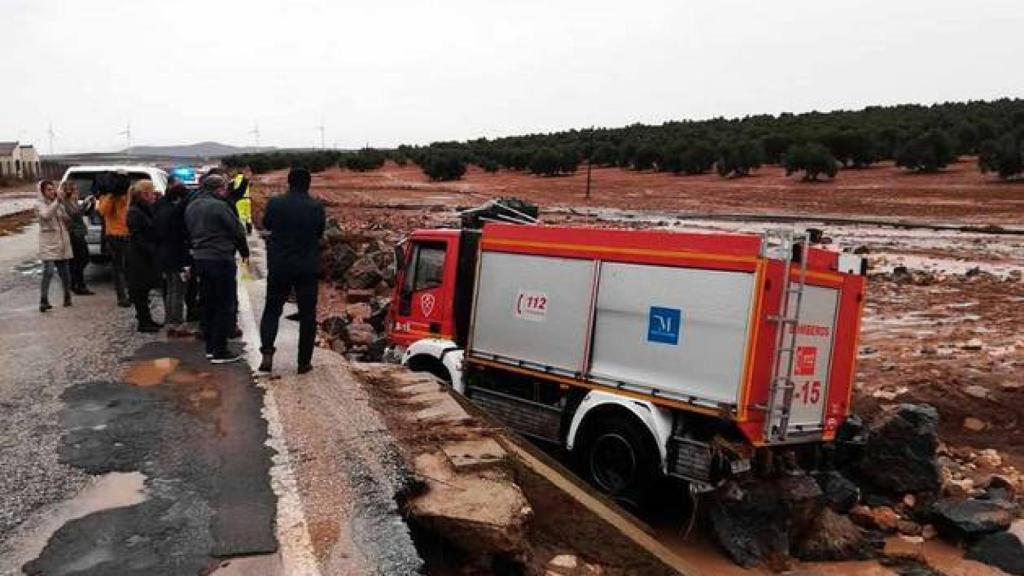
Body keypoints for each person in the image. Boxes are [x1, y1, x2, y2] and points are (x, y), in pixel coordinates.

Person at [258, 167, 325, 375]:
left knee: (272, 310)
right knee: (307, 315)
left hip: (280, 265)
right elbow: (319, 232)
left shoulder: (275, 203)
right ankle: (303, 362)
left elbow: (266, 224)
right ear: (308, 183)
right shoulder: (316, 207)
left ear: (288, 182)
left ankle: (267, 353)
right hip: (307, 267)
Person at [185, 174, 249, 363]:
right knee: (223, 303)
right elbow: (237, 230)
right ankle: (220, 350)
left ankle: (210, 348)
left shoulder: (192, 205)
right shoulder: (219, 206)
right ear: (219, 189)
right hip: (220, 258)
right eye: (223, 188)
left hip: (200, 259)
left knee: (208, 303)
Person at [153, 180, 192, 336]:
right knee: (178, 290)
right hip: (176, 255)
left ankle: (170, 320)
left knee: (170, 289)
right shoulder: (175, 213)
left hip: (164, 254)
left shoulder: (160, 209)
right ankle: (176, 323)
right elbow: (180, 236)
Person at [126, 180, 162, 333]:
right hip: (138, 257)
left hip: (144, 255)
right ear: (144, 194)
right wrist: (151, 249)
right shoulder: (134, 212)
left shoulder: (144, 209)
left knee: (145, 289)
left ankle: (146, 319)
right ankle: (143, 320)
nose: (154, 194)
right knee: (140, 290)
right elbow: (138, 235)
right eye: (152, 192)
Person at [35, 180, 74, 312]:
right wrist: (57, 202)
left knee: (65, 272)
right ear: (42, 192)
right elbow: (46, 215)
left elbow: (66, 218)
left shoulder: (59, 204)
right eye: (48, 190)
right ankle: (43, 300)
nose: (52, 192)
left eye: (53, 189)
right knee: (49, 271)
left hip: (61, 240)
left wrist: (66, 212)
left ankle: (67, 297)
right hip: (48, 242)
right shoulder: (39, 204)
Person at [95, 172, 131, 307]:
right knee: (119, 269)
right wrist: (111, 195)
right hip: (114, 236)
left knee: (130, 268)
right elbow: (102, 212)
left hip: (127, 234)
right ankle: (122, 297)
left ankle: (132, 294)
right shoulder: (106, 197)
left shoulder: (126, 195)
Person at [62, 180, 96, 295]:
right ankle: (79, 285)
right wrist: (85, 203)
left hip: (79, 232)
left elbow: (83, 213)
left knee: (80, 260)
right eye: (75, 189)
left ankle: (74, 283)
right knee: (81, 259)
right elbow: (74, 214)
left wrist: (92, 205)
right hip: (73, 234)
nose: (77, 191)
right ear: (69, 191)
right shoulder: (65, 202)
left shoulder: (74, 201)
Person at [229, 167, 254, 234]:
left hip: (240, 200)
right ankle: (249, 230)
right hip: (247, 199)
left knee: (240, 216)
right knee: (248, 215)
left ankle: (242, 231)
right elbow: (251, 185)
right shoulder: (246, 179)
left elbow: (234, 190)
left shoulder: (236, 179)